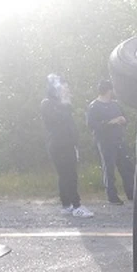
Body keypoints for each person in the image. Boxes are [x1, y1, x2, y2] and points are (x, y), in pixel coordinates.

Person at [40, 74, 93, 218]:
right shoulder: (47, 103)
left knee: (66, 175)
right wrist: (65, 102)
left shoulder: (62, 104)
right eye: (64, 86)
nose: (67, 89)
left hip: (68, 144)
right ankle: (77, 206)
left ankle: (66, 204)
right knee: (68, 175)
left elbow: (69, 123)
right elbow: (58, 119)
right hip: (58, 144)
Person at [86, 80, 135, 206]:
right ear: (108, 91)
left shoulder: (115, 105)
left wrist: (123, 120)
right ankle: (112, 196)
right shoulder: (94, 106)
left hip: (119, 140)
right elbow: (92, 125)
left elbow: (125, 118)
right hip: (105, 142)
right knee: (109, 168)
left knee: (127, 167)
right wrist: (110, 122)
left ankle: (131, 192)